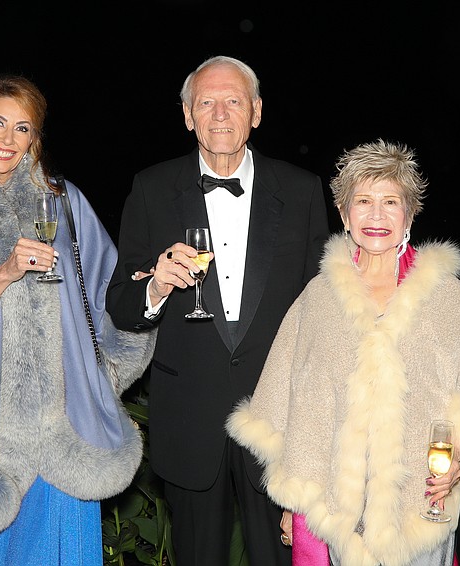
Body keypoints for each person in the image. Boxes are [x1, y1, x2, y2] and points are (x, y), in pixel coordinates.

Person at [226, 139, 460, 566]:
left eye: (390, 202)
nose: (376, 215)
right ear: (344, 213)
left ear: (409, 214)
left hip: (421, 514)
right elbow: (295, 409)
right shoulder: (317, 299)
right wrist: (294, 502)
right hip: (335, 518)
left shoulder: (446, 296)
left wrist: (458, 462)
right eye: (363, 201)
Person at [0, 74, 156, 565]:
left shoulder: (65, 202)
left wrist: (153, 291)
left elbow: (108, 293)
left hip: (62, 431)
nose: (7, 139)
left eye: (22, 128)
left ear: (34, 140)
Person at [105, 55, 330, 566]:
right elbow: (120, 304)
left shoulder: (300, 190)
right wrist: (156, 288)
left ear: (256, 111)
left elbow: (326, 305)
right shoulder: (151, 187)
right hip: (189, 420)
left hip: (277, 422)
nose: (221, 114)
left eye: (233, 101)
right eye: (207, 102)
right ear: (187, 115)